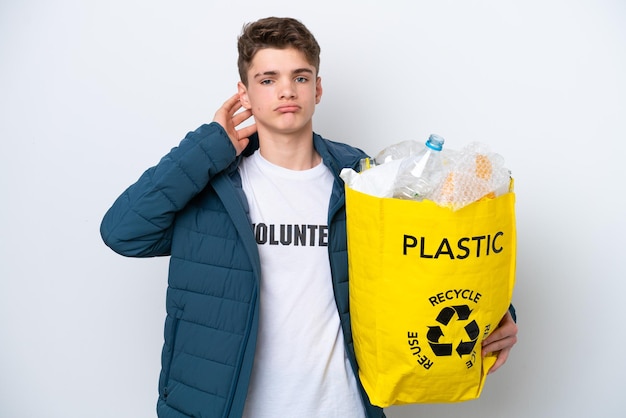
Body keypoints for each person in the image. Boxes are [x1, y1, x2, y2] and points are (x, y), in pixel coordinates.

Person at [100, 16, 518, 418]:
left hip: (343, 406)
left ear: (317, 89)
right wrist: (209, 146)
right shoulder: (210, 187)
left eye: (300, 77)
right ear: (243, 94)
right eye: (268, 79)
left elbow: (430, 260)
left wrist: (497, 316)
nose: (287, 91)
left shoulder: (364, 179)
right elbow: (123, 232)